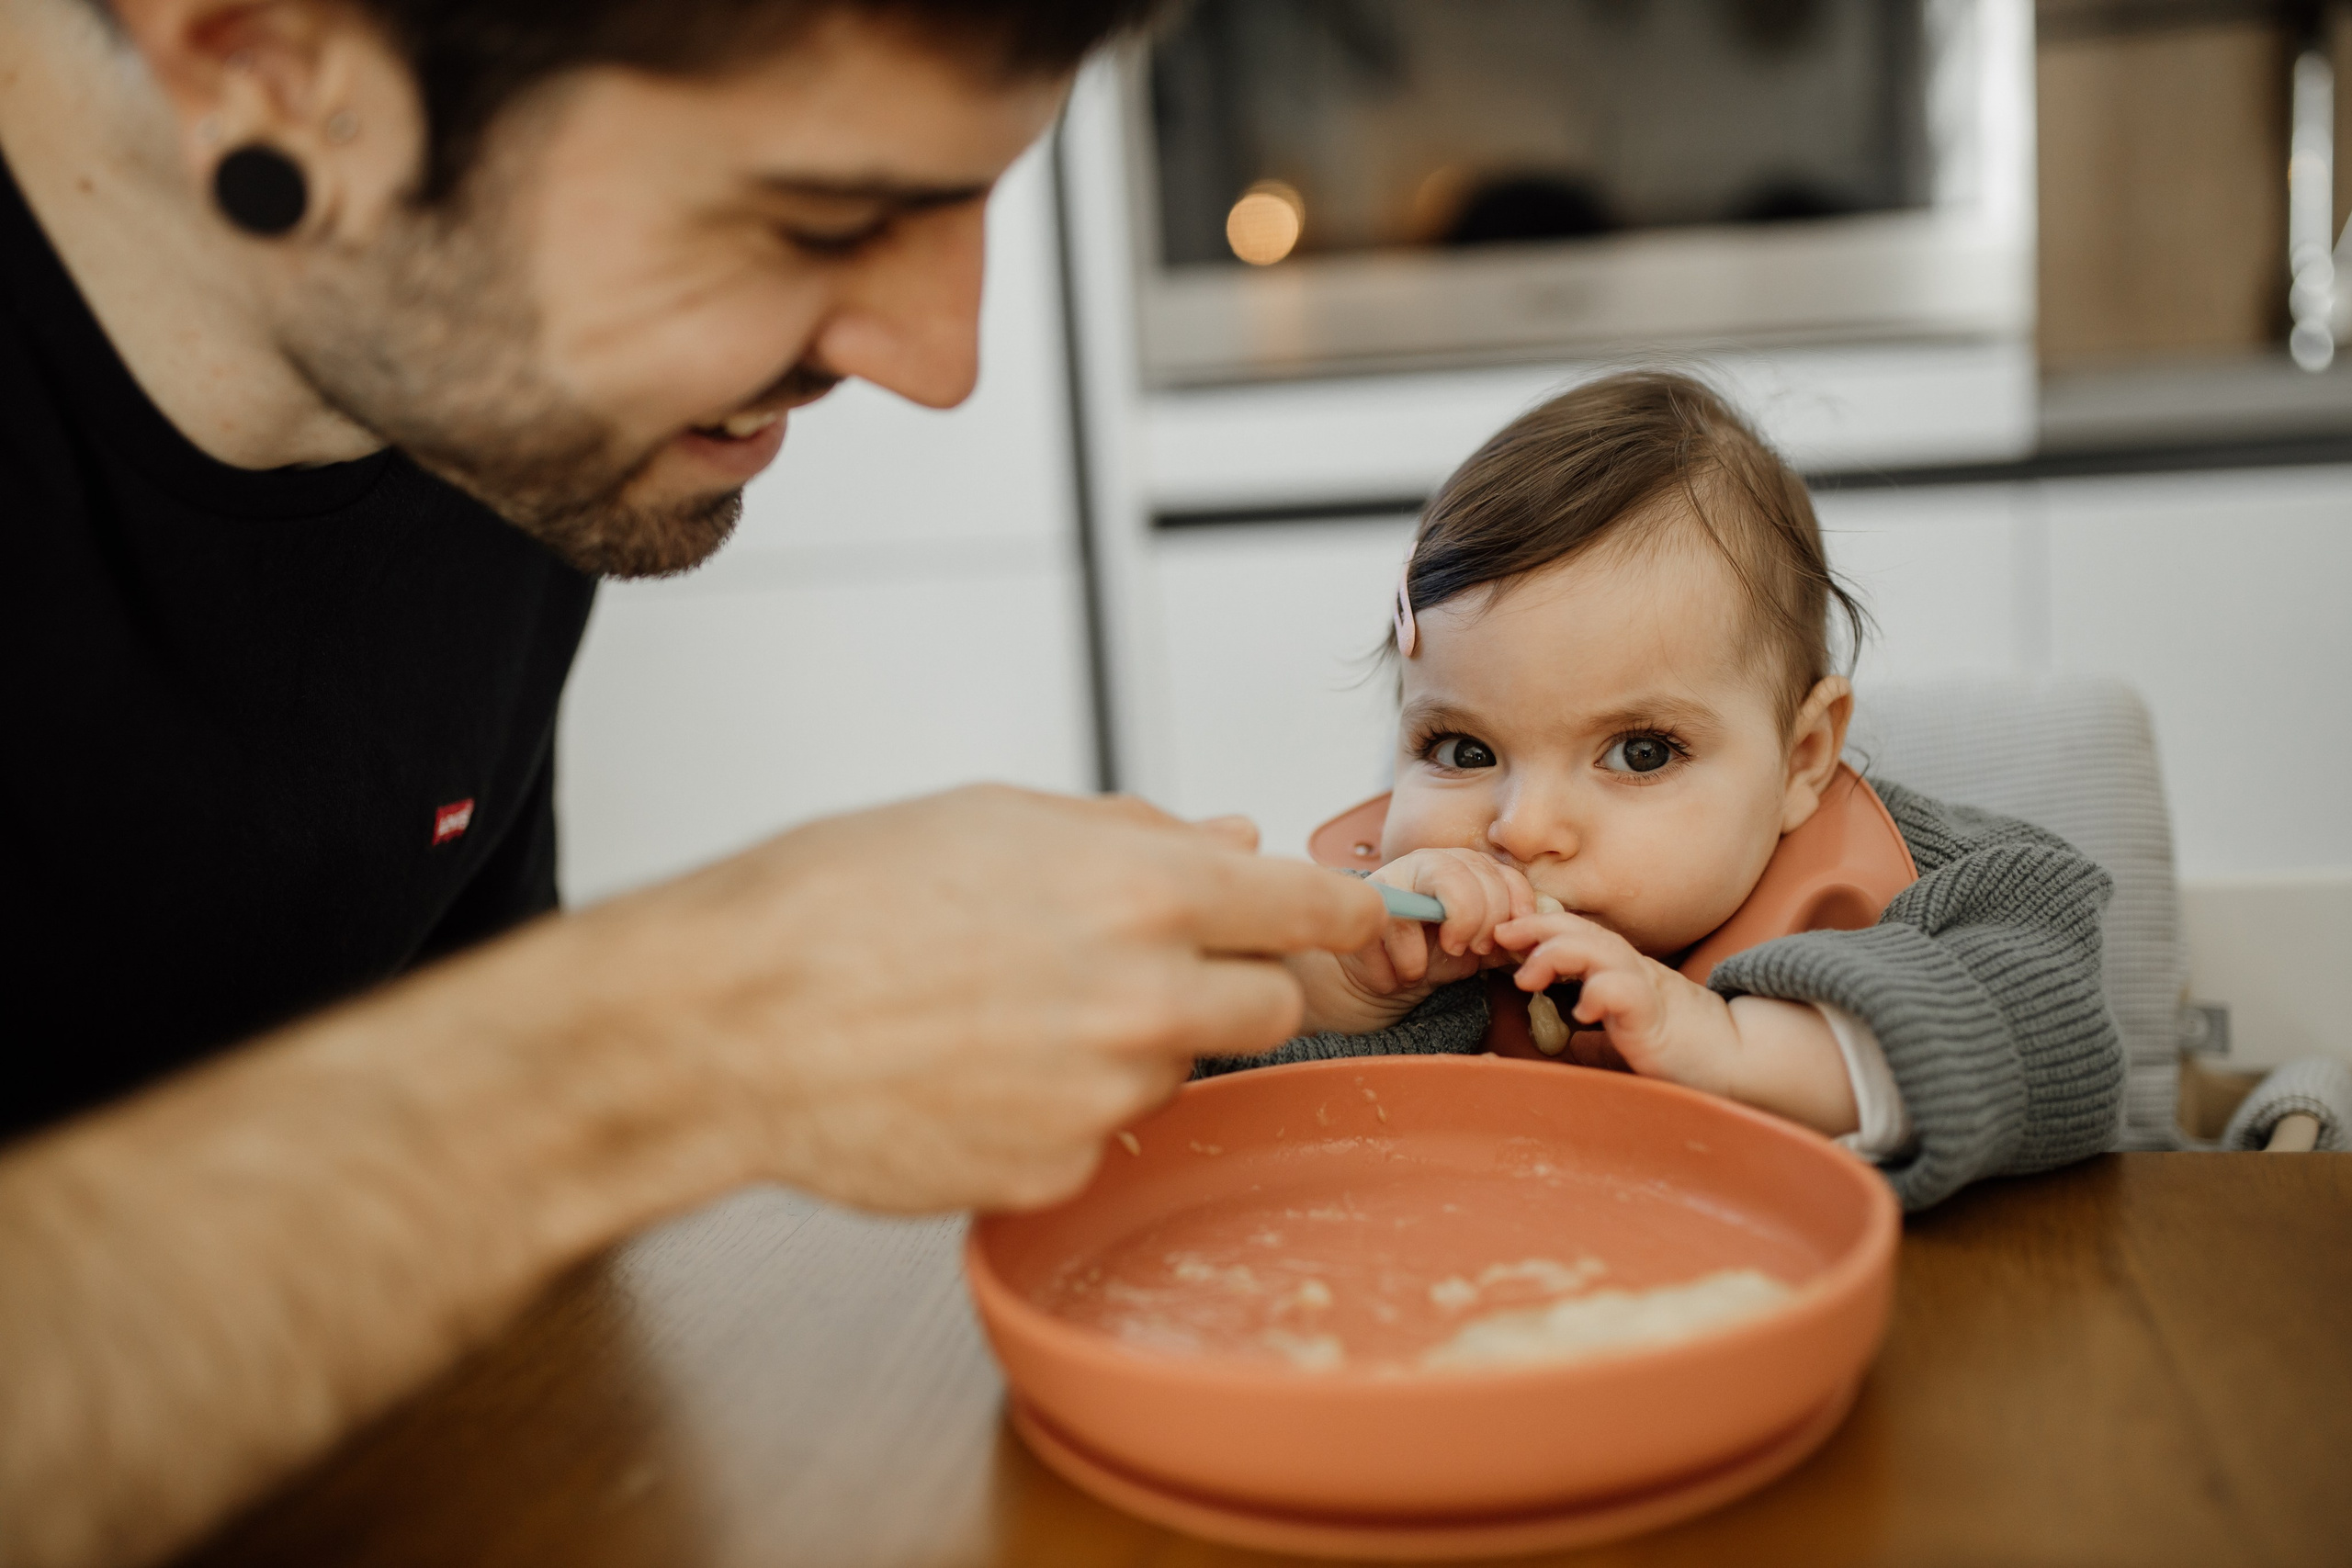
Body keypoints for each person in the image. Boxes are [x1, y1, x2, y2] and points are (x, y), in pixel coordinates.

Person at [0, 2, 1391, 1565]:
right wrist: (692, 1034)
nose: (943, 365)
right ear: (259, 65)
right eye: (816, 217)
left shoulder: (490, 400)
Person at [1204, 371, 2127, 1212]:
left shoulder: (1950, 886)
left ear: (1800, 758)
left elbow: (2057, 1035)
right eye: (1460, 746)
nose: (1522, 830)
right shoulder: (1393, 926)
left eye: (1639, 753)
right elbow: (1202, 1123)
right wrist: (1342, 995)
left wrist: (1733, 1051)